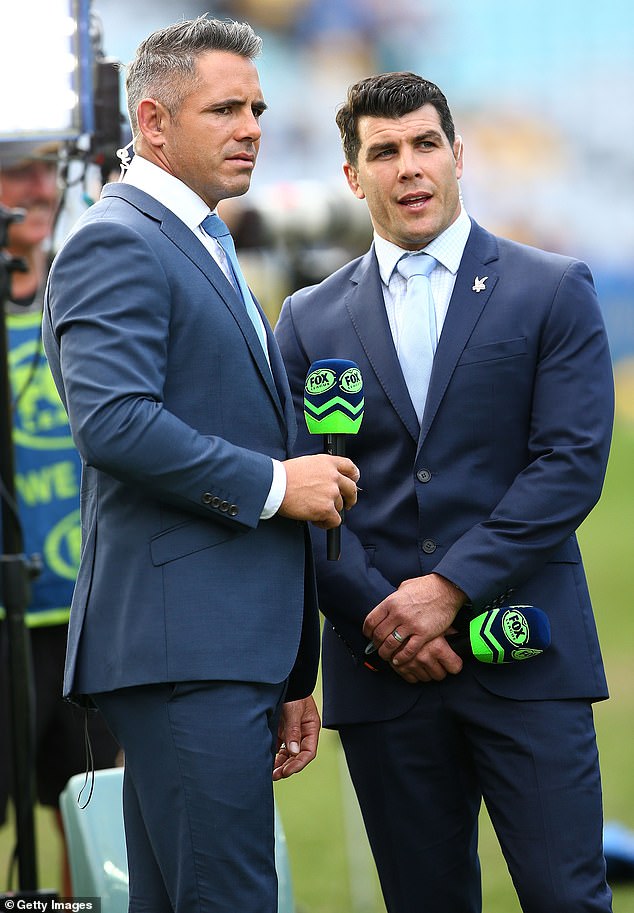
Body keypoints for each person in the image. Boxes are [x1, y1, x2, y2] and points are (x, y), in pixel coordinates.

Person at [275, 71, 614, 913]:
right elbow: (302, 497)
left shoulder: (552, 287)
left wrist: (449, 588)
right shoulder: (306, 319)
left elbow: (570, 463)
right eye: (384, 151)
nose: (410, 167)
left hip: (525, 654)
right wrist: (384, 615)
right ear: (353, 177)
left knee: (566, 898)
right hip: (384, 665)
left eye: (425, 144)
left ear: (459, 155)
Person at [42, 16, 359, 913]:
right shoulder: (120, 239)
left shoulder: (204, 241)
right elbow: (114, 422)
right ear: (151, 121)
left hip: (225, 650)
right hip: (187, 648)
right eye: (225, 108)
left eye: (257, 106)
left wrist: (293, 671)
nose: (253, 126)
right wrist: (275, 484)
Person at [0, 142, 120, 894]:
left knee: (90, 810)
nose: (41, 188)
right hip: (5, 614)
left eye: (50, 169)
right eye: (18, 172)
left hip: (91, 609)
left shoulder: (85, 293)